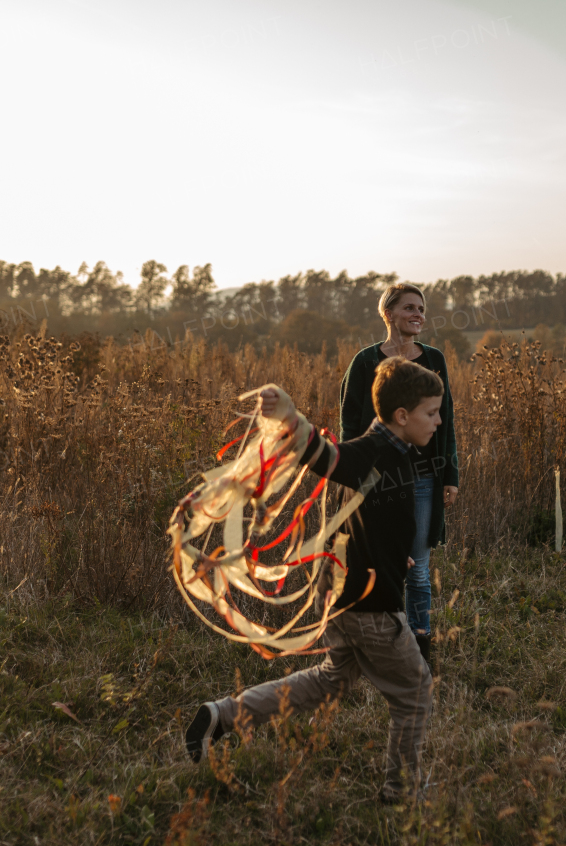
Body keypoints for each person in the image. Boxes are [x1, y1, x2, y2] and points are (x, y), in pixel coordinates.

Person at [185, 356, 443, 803]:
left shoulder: (400, 455)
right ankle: (402, 792)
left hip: (345, 597)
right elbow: (326, 456)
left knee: (331, 680)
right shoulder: (371, 451)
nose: (439, 421)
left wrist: (388, 555)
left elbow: (360, 521)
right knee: (416, 691)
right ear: (402, 416)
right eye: (432, 413)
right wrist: (291, 417)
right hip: (371, 608)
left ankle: (221, 716)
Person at [340, 283, 459, 661]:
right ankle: (378, 644)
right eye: (409, 307)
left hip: (424, 478)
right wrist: (353, 471)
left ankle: (418, 649)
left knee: (420, 570)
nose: (418, 314)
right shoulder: (364, 361)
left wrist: (450, 474)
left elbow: (448, 420)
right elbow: (349, 421)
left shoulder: (435, 359)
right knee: (379, 564)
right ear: (388, 314)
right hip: (377, 480)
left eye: (421, 308)